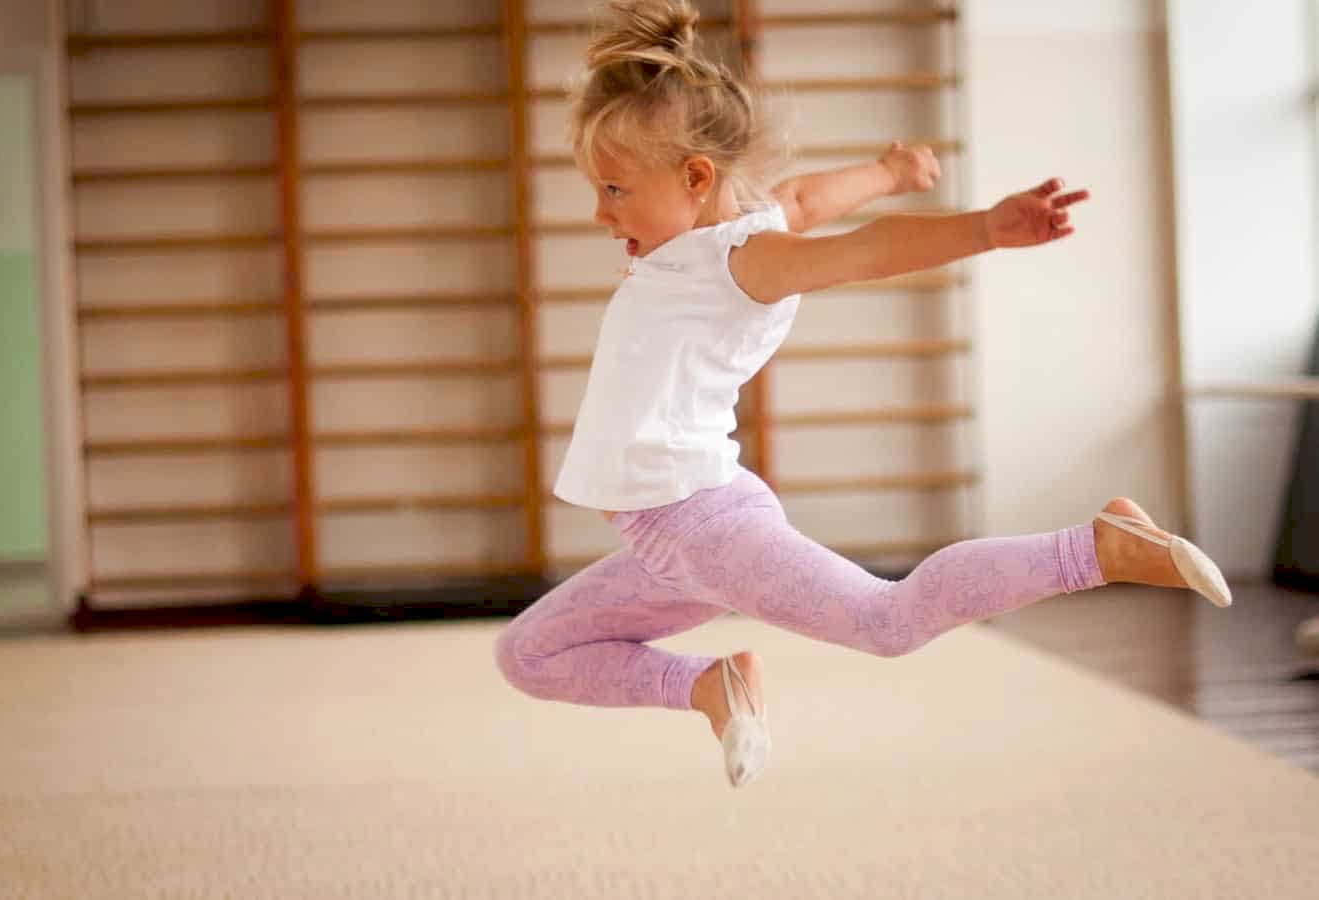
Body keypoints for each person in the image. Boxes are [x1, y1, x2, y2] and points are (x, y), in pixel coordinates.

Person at [494, 0, 1232, 788]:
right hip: (664, 543)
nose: (600, 213)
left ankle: (1095, 549)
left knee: (887, 622)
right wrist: (887, 173)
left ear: (695, 178)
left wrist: (983, 228)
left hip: (703, 526)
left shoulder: (738, 263)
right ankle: (712, 685)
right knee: (528, 654)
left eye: (614, 190)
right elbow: (806, 200)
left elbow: (866, 250)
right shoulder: (713, 239)